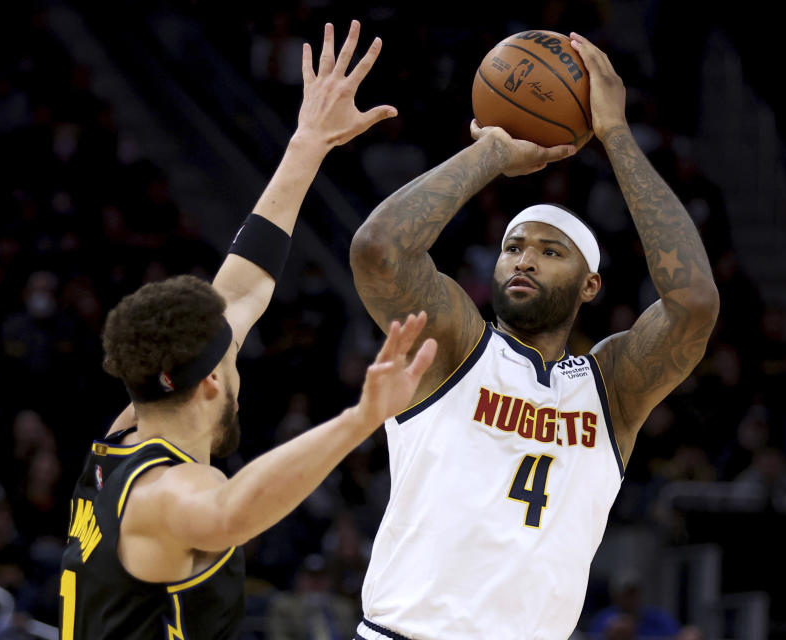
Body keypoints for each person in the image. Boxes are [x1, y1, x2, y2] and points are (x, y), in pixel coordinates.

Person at [59, 22, 437, 640]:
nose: (239, 357)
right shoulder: (167, 495)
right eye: (232, 355)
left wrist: (307, 144)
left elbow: (241, 288)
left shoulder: (125, 434)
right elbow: (231, 511)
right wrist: (360, 419)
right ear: (210, 380)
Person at [349, 32, 719, 639]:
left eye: (550, 251)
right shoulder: (454, 350)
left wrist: (616, 136)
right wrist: (491, 151)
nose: (523, 260)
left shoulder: (612, 391)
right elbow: (377, 250)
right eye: (513, 247)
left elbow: (695, 304)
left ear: (590, 286)